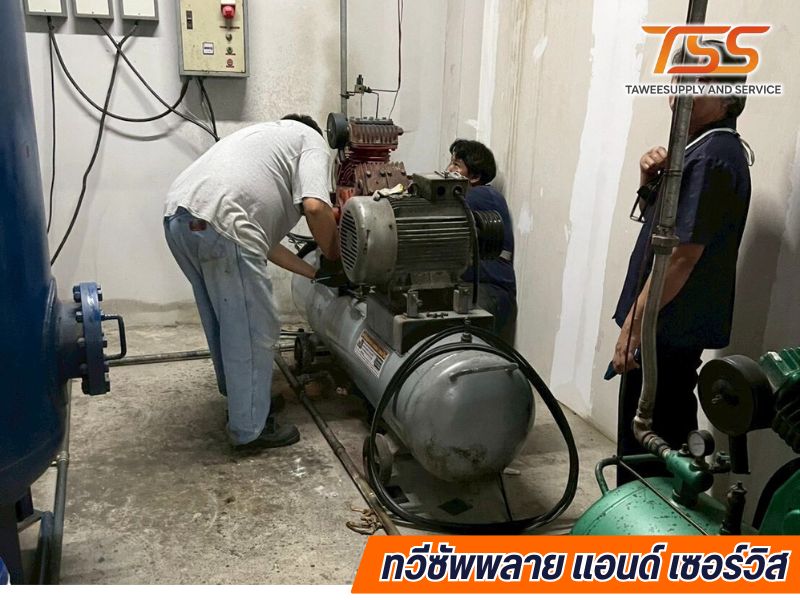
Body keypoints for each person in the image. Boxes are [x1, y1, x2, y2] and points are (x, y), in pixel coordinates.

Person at [611, 43, 753, 484]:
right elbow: (662, 231)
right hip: (666, 325)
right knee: (659, 429)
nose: (680, 91)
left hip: (665, 327)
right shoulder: (701, 150)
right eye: (678, 79)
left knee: (648, 440)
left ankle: (642, 521)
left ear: (728, 98)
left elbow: (680, 257)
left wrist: (634, 327)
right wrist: (648, 180)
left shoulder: (711, 156)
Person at [163, 114, 341, 451]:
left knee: (224, 321)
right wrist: (335, 258)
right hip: (222, 222)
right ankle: (249, 430)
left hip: (180, 217)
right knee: (253, 329)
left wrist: (316, 274)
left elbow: (264, 244)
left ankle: (244, 402)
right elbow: (316, 208)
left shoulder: (262, 142)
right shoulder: (311, 140)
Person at [446, 139, 517, 344]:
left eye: (456, 165)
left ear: (475, 177)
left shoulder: (483, 195)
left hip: (491, 293)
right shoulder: (473, 197)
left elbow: (439, 212)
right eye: (450, 162)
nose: (448, 169)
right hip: (473, 288)